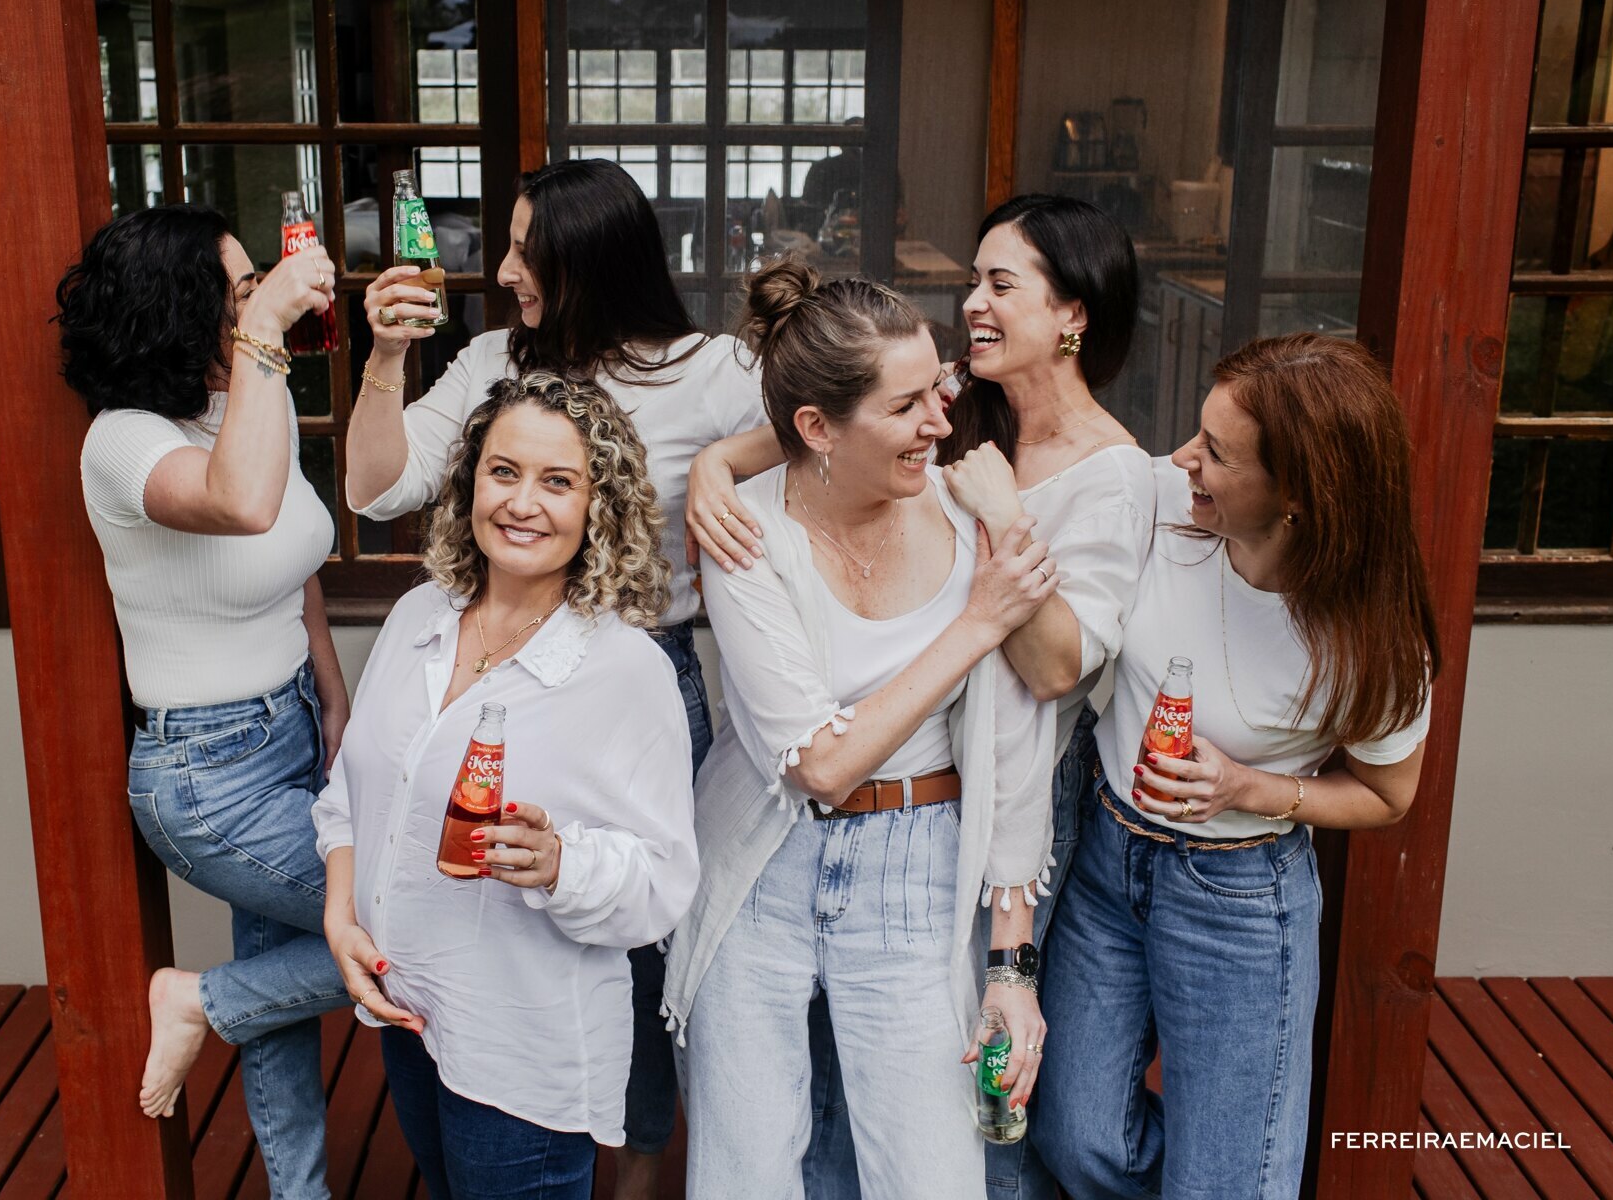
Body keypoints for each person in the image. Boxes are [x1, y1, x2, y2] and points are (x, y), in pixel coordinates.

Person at [350, 157, 766, 1199]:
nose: (502, 269)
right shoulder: (498, 355)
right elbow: (378, 481)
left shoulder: (710, 370)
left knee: (640, 947)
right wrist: (387, 358)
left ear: (590, 261)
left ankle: (627, 1174)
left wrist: (724, 462)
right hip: (501, 658)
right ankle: (476, 1085)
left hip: (638, 669)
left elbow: (832, 417)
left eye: (527, 250)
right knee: (493, 917)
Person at [664, 257, 1060, 1200]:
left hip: (916, 867)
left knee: (933, 1175)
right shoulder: (743, 532)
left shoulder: (973, 519)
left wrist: (1011, 964)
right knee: (743, 1171)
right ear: (814, 429)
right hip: (762, 856)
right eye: (909, 405)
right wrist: (977, 625)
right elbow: (820, 764)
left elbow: (1013, 752)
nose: (941, 421)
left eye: (940, 390)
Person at [1030, 333, 1439, 1199]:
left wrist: (1251, 788)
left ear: (1297, 496)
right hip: (1106, 865)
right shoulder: (1159, 507)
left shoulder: (1373, 639)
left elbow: (1388, 795)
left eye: (1215, 452)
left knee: (1227, 1182)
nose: (1182, 458)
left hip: (1240, 900)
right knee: (1075, 1138)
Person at [314, 372, 699, 1200]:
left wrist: (562, 863)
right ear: (469, 483)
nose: (523, 502)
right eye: (504, 472)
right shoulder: (421, 615)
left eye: (558, 482)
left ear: (600, 506)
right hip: (408, 1011)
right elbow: (353, 790)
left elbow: (662, 883)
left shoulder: (624, 669)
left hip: (521, 1049)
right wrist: (340, 915)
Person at [60, 203, 348, 1199]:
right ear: (179, 311)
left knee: (289, 988)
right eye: (233, 290)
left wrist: (332, 693)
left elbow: (291, 561)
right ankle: (201, 999)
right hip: (208, 775)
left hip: (293, 730)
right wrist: (272, 321)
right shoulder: (123, 441)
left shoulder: (241, 401)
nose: (250, 301)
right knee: (416, 923)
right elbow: (243, 504)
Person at [937, 195, 1156, 1199]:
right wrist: (721, 466)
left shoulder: (1114, 475)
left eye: (999, 283)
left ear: (1073, 314)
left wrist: (1003, 512)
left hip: (1028, 794)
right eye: (973, 280)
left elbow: (1059, 663)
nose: (971, 302)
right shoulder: (967, 418)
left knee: (990, 1069)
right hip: (922, 769)